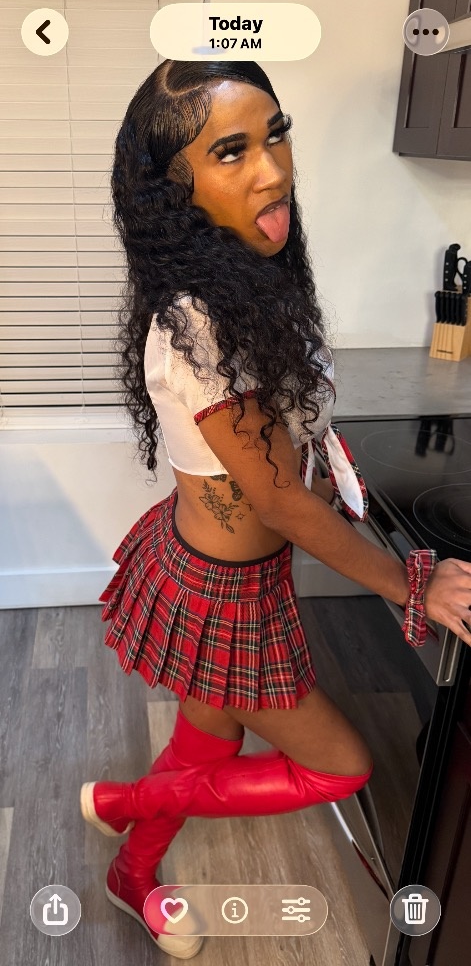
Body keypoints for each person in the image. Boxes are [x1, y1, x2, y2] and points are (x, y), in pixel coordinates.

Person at [80, 60, 471, 959]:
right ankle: (129, 810)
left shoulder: (242, 282)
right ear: (174, 187)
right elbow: (281, 501)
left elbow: (287, 447)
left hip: (216, 569)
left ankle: (129, 858)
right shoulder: (200, 325)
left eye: (275, 134)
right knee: (342, 768)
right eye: (231, 151)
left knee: (204, 744)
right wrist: (410, 582)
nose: (272, 169)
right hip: (218, 593)